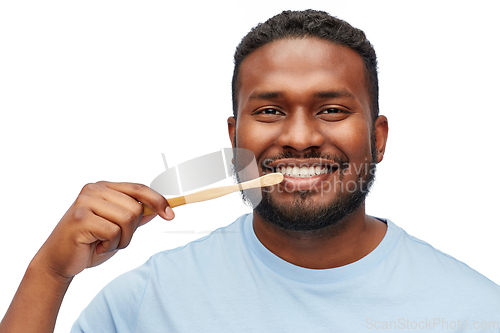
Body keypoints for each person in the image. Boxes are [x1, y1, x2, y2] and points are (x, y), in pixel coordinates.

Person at [1, 9, 499, 333]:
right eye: (269, 111)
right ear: (234, 137)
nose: (300, 138)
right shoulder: (148, 303)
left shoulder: (476, 313)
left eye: (331, 110)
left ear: (379, 137)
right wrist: (48, 273)